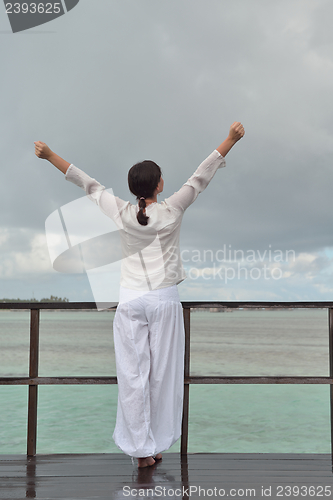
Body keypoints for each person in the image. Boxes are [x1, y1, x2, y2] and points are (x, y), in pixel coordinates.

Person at [34, 122, 245, 467]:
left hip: (129, 301)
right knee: (163, 376)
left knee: (133, 376)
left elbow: (86, 182)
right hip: (162, 301)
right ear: (159, 185)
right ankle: (156, 443)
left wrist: (49, 155)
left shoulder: (120, 210)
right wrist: (231, 140)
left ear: (134, 188)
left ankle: (142, 451)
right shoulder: (172, 208)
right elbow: (200, 177)